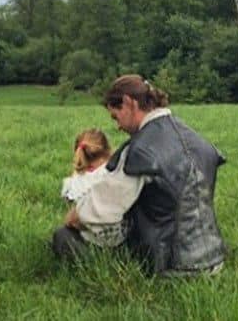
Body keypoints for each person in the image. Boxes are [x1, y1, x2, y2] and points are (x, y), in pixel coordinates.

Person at [52, 75, 227, 276]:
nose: (118, 126)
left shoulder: (140, 151)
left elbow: (102, 209)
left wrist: (75, 215)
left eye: (116, 117)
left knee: (63, 237)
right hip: (214, 260)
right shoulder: (198, 140)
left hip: (169, 266)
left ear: (129, 102)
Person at [59, 129, 127, 248]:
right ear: (107, 151)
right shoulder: (113, 172)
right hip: (119, 237)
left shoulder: (76, 180)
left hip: (87, 237)